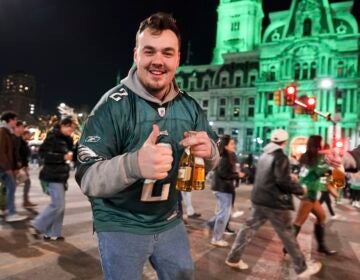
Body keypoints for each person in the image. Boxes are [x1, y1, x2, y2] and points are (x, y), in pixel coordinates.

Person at [75, 12, 219, 280]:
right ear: (136, 55)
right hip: (121, 220)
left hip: (168, 219)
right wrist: (133, 164)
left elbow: (213, 153)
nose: (158, 61)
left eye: (167, 53)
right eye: (149, 51)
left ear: (178, 59)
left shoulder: (190, 105)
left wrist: (209, 151)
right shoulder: (112, 105)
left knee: (183, 275)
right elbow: (86, 176)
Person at [226, 129, 321, 278]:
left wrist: (288, 177)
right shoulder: (280, 156)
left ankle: (233, 257)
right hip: (274, 202)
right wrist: (299, 189)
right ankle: (301, 268)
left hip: (259, 198)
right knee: (287, 234)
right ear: (285, 142)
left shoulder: (264, 154)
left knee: (247, 229)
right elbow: (281, 181)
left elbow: (269, 175)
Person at [30, 117, 75, 241]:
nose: (72, 131)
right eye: (71, 128)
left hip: (61, 176)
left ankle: (53, 233)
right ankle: (37, 224)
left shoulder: (68, 140)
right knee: (57, 205)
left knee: (60, 206)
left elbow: (71, 155)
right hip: (51, 175)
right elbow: (43, 155)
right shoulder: (52, 137)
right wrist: (62, 157)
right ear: (64, 125)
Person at [292, 135, 337, 255]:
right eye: (321, 142)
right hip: (309, 192)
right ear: (318, 144)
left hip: (307, 190)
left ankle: (321, 246)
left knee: (321, 217)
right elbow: (325, 173)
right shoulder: (318, 158)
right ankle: (289, 246)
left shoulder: (306, 156)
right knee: (298, 221)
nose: (323, 144)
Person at [206, 135, 243, 247]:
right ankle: (216, 238)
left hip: (224, 188)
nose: (234, 145)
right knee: (224, 214)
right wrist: (237, 175)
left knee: (223, 212)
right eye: (232, 144)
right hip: (222, 189)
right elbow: (223, 173)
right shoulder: (225, 157)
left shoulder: (229, 156)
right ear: (226, 146)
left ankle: (209, 224)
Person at [0, 111, 27, 222]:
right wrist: (7, 168)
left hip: (5, 166)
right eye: (15, 119)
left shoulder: (7, 132)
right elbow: (1, 152)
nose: (16, 122)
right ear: (10, 120)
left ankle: (8, 210)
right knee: (11, 187)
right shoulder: (2, 132)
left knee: (9, 187)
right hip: (3, 167)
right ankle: (11, 213)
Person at [14, 121, 37, 208]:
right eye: (28, 135)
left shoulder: (23, 143)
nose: (30, 136)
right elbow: (20, 155)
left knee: (24, 182)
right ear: (24, 135)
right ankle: (24, 201)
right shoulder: (19, 142)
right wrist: (23, 166)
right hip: (19, 167)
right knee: (15, 184)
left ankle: (25, 201)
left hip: (22, 166)